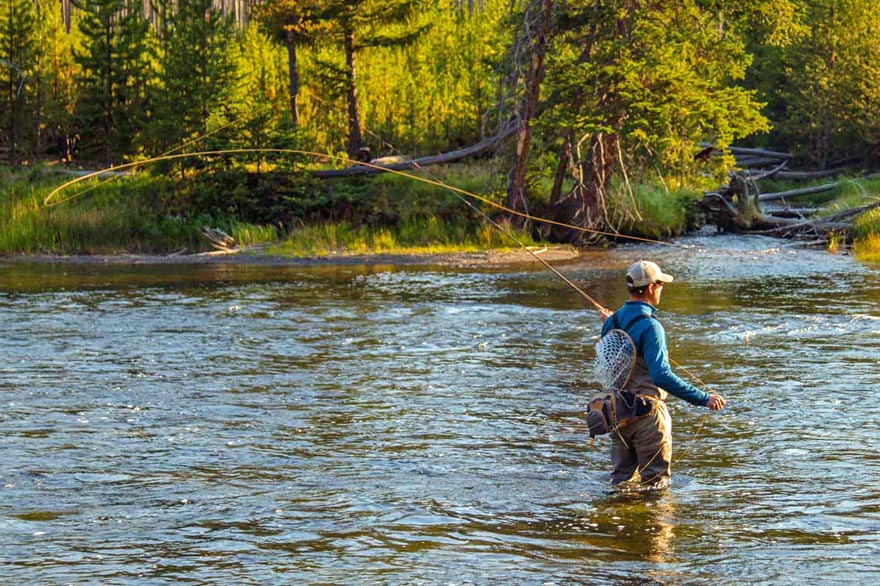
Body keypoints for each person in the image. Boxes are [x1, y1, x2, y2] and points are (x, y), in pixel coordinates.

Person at [599, 260, 726, 488]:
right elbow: (661, 376)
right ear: (650, 288)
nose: (661, 289)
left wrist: (610, 321)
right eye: (660, 284)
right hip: (648, 417)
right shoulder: (652, 327)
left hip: (618, 414)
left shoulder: (612, 322)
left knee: (620, 484)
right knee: (656, 487)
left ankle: (615, 513)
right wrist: (703, 398)